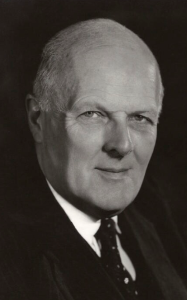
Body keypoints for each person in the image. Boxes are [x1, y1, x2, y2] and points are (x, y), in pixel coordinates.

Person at [1, 18, 187, 300]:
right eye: (93, 114)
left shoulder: (151, 207)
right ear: (37, 119)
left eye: (140, 118)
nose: (122, 145)